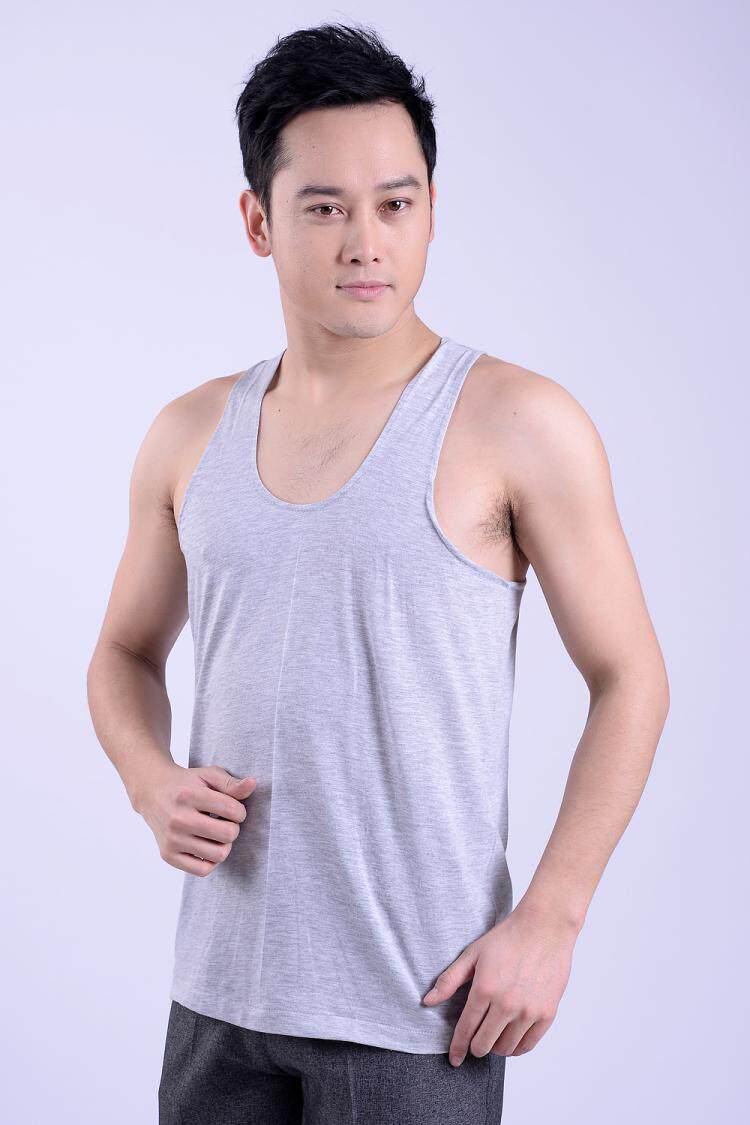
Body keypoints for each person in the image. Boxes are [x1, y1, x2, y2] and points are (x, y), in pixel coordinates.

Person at [86, 20, 670, 1125]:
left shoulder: (519, 422)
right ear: (259, 222)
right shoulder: (188, 433)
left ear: (432, 211)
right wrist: (148, 779)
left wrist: (552, 917)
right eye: (325, 208)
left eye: (395, 204)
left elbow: (631, 678)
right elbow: (121, 652)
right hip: (216, 1001)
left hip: (420, 1010)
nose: (366, 242)